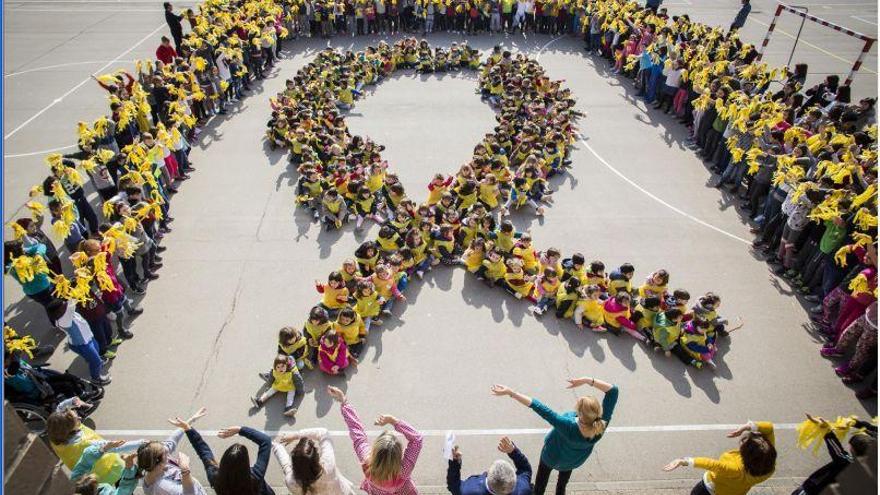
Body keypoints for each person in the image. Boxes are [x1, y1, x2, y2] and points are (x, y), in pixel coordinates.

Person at [491, 376, 619, 495]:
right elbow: (613, 390)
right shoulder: (601, 425)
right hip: (573, 461)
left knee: (540, 485)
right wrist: (587, 380)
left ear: (580, 414)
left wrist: (511, 393)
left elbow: (538, 407)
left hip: (550, 457)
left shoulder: (567, 426)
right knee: (562, 485)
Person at [327, 385, 423, 495]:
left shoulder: (367, 463)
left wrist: (343, 400)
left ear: (375, 450)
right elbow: (417, 439)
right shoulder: (404, 470)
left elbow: (357, 434)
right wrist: (394, 421)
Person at [663, 420, 777, 495]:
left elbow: (711, 464)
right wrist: (748, 426)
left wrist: (684, 461)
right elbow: (770, 428)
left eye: (744, 443)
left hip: (709, 490)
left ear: (747, 453)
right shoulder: (768, 462)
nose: (742, 441)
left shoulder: (734, 468)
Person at [792, 414, 877, 495]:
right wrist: (855, 423)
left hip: (812, 490)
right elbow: (873, 430)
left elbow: (838, 452)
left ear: (853, 450)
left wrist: (827, 431)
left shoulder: (847, 462)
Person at [136, 408, 209, 495]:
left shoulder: (157, 462)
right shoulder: (162, 486)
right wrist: (185, 470)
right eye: (164, 451)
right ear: (158, 461)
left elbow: (172, 440)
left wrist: (190, 421)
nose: (166, 448)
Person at [273, 427, 357, 495]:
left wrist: (276, 446)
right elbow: (324, 433)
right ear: (316, 457)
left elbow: (286, 466)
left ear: (294, 464)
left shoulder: (292, 482)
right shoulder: (328, 465)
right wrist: (296, 435)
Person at [47, 298, 111, 385]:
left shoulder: (67, 314)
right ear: (58, 312)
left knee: (96, 349)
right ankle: (96, 378)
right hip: (82, 345)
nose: (66, 304)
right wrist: (77, 293)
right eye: (64, 305)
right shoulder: (63, 320)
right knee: (96, 362)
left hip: (88, 337)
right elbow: (72, 303)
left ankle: (95, 360)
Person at [446, 436, 532, 495]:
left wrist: (454, 462)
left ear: (487, 474)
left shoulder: (469, 490)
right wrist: (513, 451)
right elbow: (525, 469)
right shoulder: (523, 489)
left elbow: (453, 484)